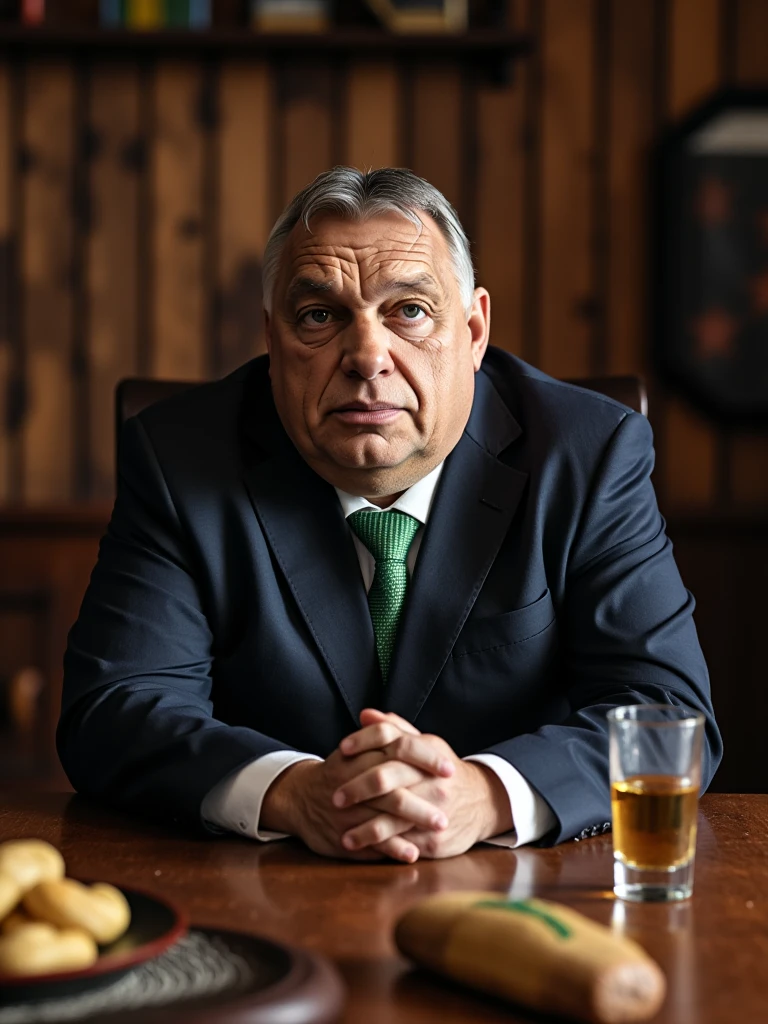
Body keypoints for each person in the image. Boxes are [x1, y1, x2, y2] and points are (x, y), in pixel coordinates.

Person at [58, 167, 722, 864]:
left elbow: (667, 715)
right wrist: (293, 790)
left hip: (527, 895)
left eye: (409, 310)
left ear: (472, 331)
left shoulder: (588, 454)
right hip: (257, 888)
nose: (368, 356)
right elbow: (114, 707)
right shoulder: (180, 456)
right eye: (319, 316)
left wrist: (483, 794)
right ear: (273, 340)